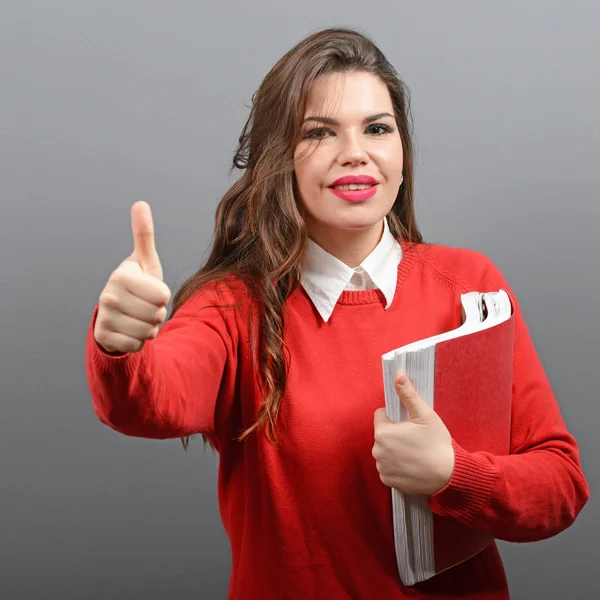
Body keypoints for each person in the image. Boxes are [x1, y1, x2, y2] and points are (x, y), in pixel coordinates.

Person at [85, 27, 589, 600]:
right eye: (320, 132)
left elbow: (560, 488)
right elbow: (150, 400)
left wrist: (454, 475)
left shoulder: (470, 287)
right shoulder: (234, 306)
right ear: (282, 159)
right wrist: (121, 346)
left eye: (377, 128)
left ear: (402, 151)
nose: (355, 152)